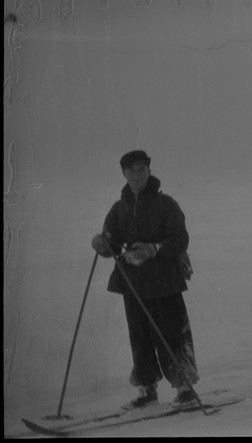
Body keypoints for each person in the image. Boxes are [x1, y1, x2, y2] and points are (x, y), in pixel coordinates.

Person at [90, 150, 199, 410]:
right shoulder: (119, 208)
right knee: (139, 339)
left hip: (165, 283)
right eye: (131, 170)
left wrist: (154, 248)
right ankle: (147, 391)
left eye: (141, 169)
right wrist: (103, 244)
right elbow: (112, 244)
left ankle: (185, 389)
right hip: (133, 285)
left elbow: (180, 240)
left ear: (149, 171)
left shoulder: (166, 204)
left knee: (172, 336)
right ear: (124, 174)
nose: (136, 174)